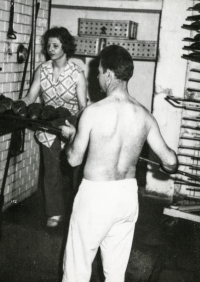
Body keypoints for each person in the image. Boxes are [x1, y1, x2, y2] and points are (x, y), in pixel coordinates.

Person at [60, 45, 178, 282]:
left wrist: (71, 138)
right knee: (115, 275)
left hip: (96, 196)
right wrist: (164, 167)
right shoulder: (144, 115)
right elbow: (171, 161)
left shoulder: (93, 112)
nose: (97, 76)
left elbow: (74, 159)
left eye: (100, 71)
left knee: (76, 271)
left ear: (110, 74)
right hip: (126, 197)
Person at [21, 26, 87, 227]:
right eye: (48, 45)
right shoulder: (42, 70)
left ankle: (79, 213)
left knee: (76, 169)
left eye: (55, 45)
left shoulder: (77, 74)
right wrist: (14, 105)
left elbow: (83, 107)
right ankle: (55, 212)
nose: (50, 49)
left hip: (71, 124)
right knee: (51, 169)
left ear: (65, 47)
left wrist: (79, 131)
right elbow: (31, 97)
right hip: (48, 124)